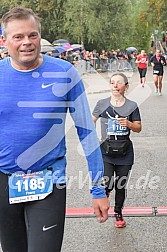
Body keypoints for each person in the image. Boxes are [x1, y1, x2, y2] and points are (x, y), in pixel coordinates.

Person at [0, 7, 109, 252]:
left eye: (33, 35)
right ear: (4, 41)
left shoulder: (64, 72)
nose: (27, 42)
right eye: (18, 37)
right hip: (3, 181)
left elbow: (87, 132)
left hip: (48, 180)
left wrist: (98, 187)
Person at [92, 73, 142, 228]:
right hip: (105, 152)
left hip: (125, 153)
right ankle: (106, 192)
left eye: (119, 83)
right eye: (112, 82)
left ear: (126, 86)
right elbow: (91, 120)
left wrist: (128, 124)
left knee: (121, 185)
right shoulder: (102, 103)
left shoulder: (132, 106)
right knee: (107, 181)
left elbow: (138, 128)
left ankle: (118, 212)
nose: (115, 85)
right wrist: (92, 139)